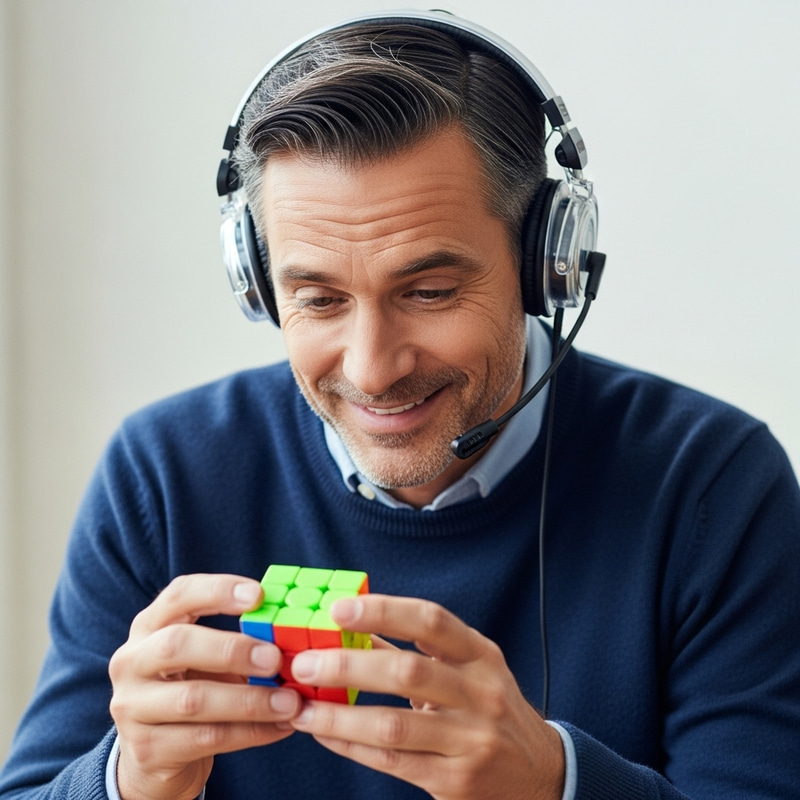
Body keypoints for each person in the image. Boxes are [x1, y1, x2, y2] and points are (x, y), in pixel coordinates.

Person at [2, 10, 799, 800]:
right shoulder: (163, 474)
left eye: (429, 291)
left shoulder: (712, 484)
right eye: (319, 300)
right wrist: (126, 781)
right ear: (260, 285)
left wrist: (555, 784)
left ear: (543, 266)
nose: (373, 369)